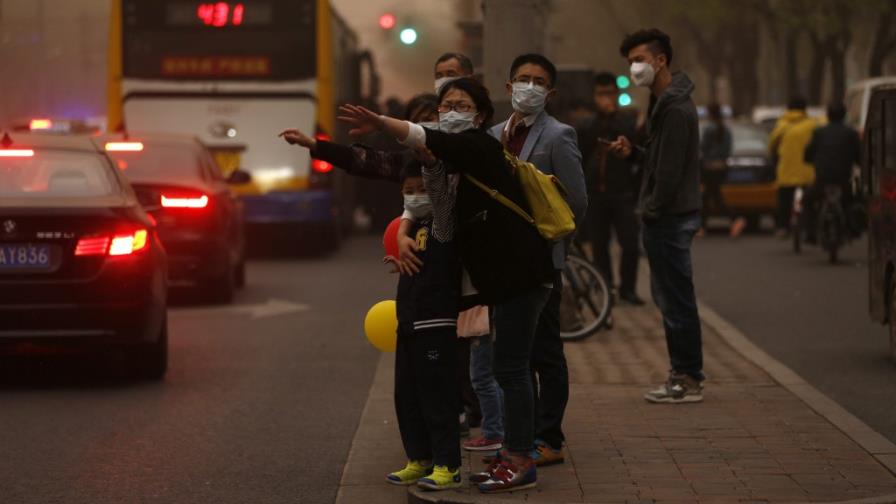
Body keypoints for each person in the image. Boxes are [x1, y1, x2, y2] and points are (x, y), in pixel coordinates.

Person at [338, 77, 556, 493]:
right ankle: (511, 455)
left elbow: (428, 138)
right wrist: (409, 216)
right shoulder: (452, 161)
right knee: (506, 367)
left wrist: (384, 122)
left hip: (522, 275)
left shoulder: (480, 147)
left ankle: (519, 460)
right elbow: (432, 203)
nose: (451, 111)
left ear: (481, 115)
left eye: (461, 104)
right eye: (446, 105)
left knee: (511, 369)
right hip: (503, 281)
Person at [280, 100, 466, 491]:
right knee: (407, 396)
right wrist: (316, 146)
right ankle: (419, 458)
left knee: (438, 397)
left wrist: (428, 157)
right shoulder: (410, 225)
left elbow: (435, 180)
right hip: (409, 321)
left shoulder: (445, 223)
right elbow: (364, 161)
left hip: (437, 321)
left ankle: (447, 465)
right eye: (408, 190)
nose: (415, 195)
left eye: (421, 189)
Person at [487, 53, 587, 469]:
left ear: (550, 92)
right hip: (502, 266)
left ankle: (550, 437)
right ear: (509, 87)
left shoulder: (559, 135)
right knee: (512, 358)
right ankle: (520, 439)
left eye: (539, 81)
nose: (530, 86)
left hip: (542, 262)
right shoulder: (493, 134)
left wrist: (546, 235)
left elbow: (577, 201)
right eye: (523, 79)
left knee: (545, 353)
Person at [610, 28, 705, 403]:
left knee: (676, 301)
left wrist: (648, 211)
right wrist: (633, 153)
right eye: (630, 61)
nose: (634, 68)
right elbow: (659, 160)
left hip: (669, 217)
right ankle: (683, 373)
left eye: (639, 59)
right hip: (665, 215)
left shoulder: (676, 108)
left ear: (660, 60)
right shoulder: (663, 102)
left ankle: (687, 378)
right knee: (671, 299)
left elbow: (669, 173)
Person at [578, 71, 644, 305]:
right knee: (599, 244)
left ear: (616, 95)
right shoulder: (587, 124)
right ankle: (605, 288)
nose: (605, 98)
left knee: (630, 243)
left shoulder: (626, 121)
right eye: (600, 94)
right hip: (595, 193)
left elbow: (636, 153)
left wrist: (612, 115)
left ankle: (628, 288)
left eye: (609, 93)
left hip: (622, 192)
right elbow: (581, 155)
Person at [803, 101, 860, 242]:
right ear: (844, 115)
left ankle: (811, 233)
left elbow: (808, 154)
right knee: (852, 202)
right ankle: (853, 230)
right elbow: (859, 156)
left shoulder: (819, 133)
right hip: (843, 180)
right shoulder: (851, 133)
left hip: (822, 179)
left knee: (807, 200)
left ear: (828, 115)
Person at [769, 96, 818, 237]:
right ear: (804, 109)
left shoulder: (782, 125)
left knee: (784, 198)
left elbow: (771, 145)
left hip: (787, 172)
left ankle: (783, 227)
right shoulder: (813, 124)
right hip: (809, 172)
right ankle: (811, 229)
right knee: (811, 200)